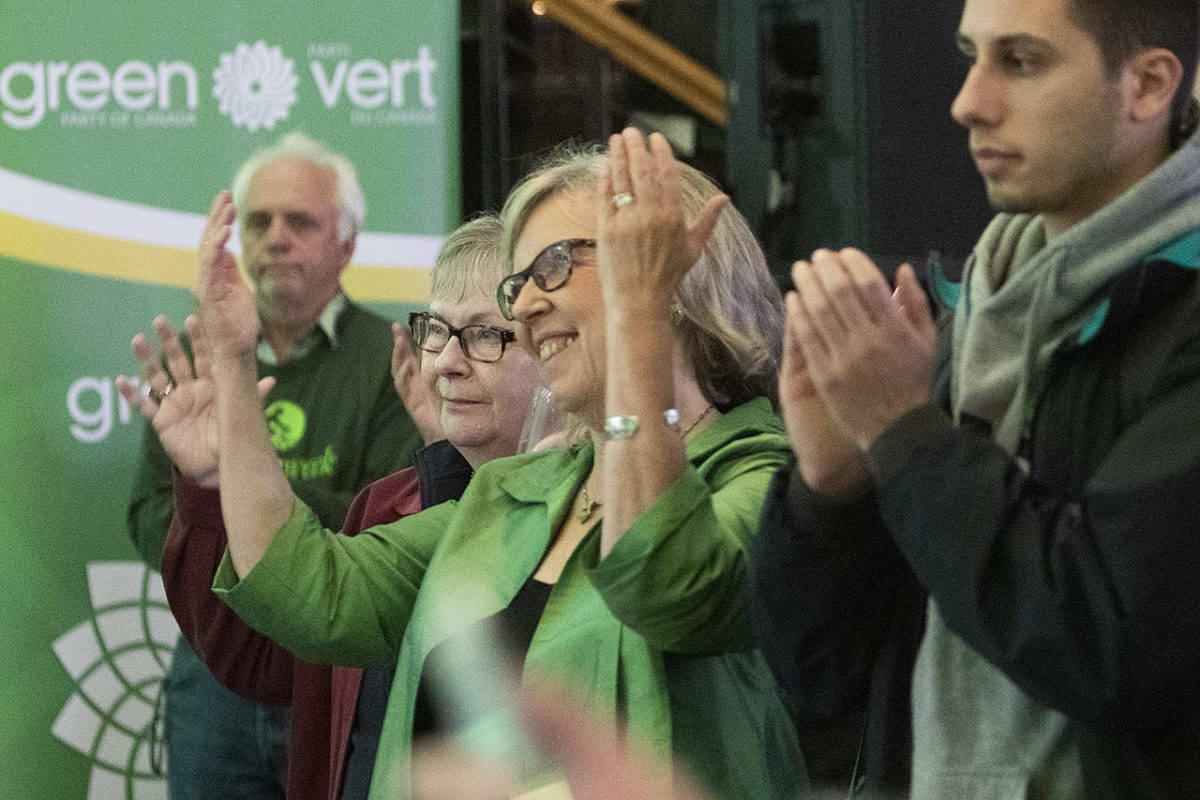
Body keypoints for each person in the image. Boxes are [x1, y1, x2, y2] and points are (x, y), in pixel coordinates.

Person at [180, 129, 805, 800]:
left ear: (670, 269)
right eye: (521, 282)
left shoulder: (771, 481)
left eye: (555, 268)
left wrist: (639, 322)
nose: (529, 305)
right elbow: (307, 590)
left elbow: (668, 584)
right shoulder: (517, 489)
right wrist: (235, 362)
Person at [752, 0, 1200, 798]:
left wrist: (902, 429)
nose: (968, 101)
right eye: (970, 55)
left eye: (1020, 61)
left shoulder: (1180, 315)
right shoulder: (969, 316)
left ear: (1148, 85)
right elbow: (826, 679)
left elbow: (1111, 645)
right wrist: (831, 494)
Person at [125, 216, 543, 800]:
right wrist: (214, 483)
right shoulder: (390, 504)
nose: (447, 360)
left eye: (484, 335)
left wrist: (244, 441)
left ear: (562, 350)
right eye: (438, 330)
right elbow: (261, 655)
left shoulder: (587, 510)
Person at [120, 132, 423, 800]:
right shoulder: (201, 355)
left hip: (344, 665)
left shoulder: (397, 358)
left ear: (346, 244)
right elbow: (150, 514)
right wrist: (232, 493)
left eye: (301, 221)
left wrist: (235, 481)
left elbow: (381, 518)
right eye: (258, 222)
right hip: (215, 661)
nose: (276, 237)